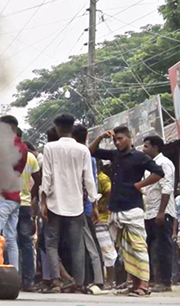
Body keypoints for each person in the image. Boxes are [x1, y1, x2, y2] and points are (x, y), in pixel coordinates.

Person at [89, 126, 164, 297]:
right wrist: (101, 136)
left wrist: (139, 185)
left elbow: (159, 172)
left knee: (138, 247)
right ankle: (135, 283)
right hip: (116, 208)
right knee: (125, 249)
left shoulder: (139, 157)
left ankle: (144, 284)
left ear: (129, 138)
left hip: (133, 207)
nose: (117, 142)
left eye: (120, 138)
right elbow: (91, 151)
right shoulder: (115, 155)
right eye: (115, 140)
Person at [40, 114, 97, 294]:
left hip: (54, 202)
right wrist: (94, 204)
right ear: (72, 128)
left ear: (57, 128)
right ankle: (79, 283)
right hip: (75, 205)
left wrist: (43, 202)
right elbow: (89, 179)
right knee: (77, 245)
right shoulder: (83, 150)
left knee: (51, 244)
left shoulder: (50, 147)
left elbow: (46, 177)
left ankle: (56, 282)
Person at [0, 115, 28, 272]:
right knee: (11, 239)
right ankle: (14, 272)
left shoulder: (7, 146)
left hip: (3, 197)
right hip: (15, 197)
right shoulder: (23, 147)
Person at [142, 135, 176, 292]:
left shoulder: (165, 164)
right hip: (149, 212)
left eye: (146, 146)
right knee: (149, 247)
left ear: (155, 147)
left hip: (161, 212)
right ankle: (151, 280)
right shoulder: (149, 165)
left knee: (163, 248)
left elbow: (167, 187)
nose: (144, 149)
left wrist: (161, 212)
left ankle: (165, 282)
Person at [72, 124, 105, 290]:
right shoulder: (86, 156)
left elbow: (91, 183)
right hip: (84, 206)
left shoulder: (81, 156)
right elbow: (93, 183)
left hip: (78, 207)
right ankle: (91, 279)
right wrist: (95, 205)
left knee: (88, 245)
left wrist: (93, 206)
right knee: (87, 245)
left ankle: (96, 280)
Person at [18, 141, 40, 291]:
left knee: (8, 242)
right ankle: (29, 282)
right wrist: (31, 196)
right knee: (26, 243)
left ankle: (14, 278)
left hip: (9, 203)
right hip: (25, 205)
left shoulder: (6, 155)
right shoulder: (31, 157)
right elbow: (38, 179)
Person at [94, 160, 118, 289]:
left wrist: (104, 205)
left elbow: (109, 191)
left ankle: (110, 280)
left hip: (102, 218)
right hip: (99, 218)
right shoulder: (94, 177)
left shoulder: (101, 178)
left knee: (107, 249)